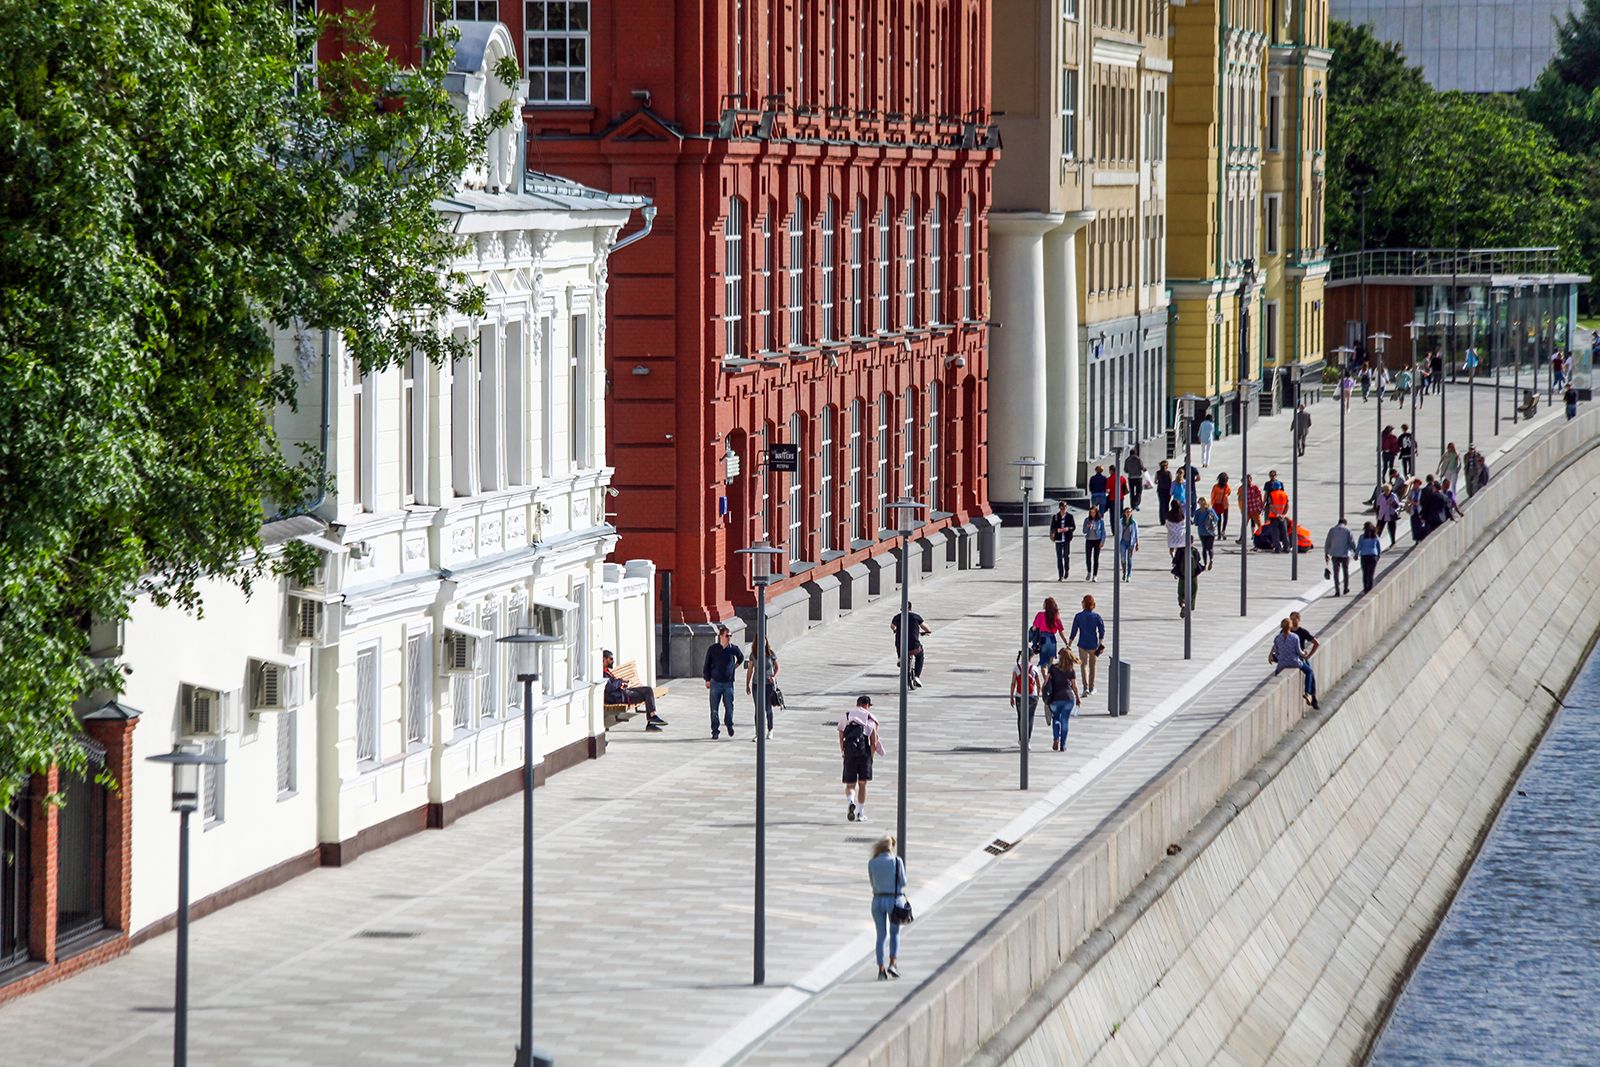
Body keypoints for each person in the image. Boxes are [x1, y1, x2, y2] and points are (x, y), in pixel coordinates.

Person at [867, 834, 908, 980]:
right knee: (894, 933)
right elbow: (903, 882)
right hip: (894, 900)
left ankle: (881, 970)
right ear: (892, 846)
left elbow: (872, 882)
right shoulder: (897, 862)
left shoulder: (872, 862)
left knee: (881, 936)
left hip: (877, 900)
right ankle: (893, 964)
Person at [840, 695, 884, 822]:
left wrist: (843, 751)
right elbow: (874, 742)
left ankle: (850, 801)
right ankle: (860, 812)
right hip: (864, 755)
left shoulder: (847, 716)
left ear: (857, 704)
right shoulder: (870, 720)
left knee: (850, 784)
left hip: (849, 754)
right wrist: (871, 757)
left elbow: (841, 735)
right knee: (863, 784)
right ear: (867, 705)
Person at [603, 650, 668, 731]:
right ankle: (652, 721)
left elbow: (613, 685)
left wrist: (622, 682)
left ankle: (653, 717)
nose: (613, 661)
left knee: (648, 690)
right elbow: (609, 688)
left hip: (623, 692)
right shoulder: (601, 673)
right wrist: (620, 682)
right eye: (611, 659)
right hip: (619, 697)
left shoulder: (606, 671)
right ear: (604, 659)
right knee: (647, 695)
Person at [701, 625, 744, 739]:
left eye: (730, 635)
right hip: (715, 682)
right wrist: (707, 679)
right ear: (721, 636)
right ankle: (715, 731)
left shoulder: (733, 649)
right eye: (727, 635)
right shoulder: (713, 649)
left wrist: (734, 667)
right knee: (714, 708)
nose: (729, 637)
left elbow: (741, 658)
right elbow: (706, 665)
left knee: (729, 706)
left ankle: (729, 724)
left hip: (728, 683)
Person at [1269, 618, 1318, 709]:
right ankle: (1307, 693)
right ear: (1290, 626)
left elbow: (1275, 650)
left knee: (1276, 674)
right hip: (1295, 662)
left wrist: (1271, 656)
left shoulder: (1277, 638)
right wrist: (1305, 654)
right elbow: (1299, 652)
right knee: (1309, 671)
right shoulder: (1295, 637)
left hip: (1282, 663)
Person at [1068, 595, 1105, 697]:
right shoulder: (1096, 616)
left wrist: (1069, 643)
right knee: (1093, 666)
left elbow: (1074, 631)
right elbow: (1102, 631)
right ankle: (1092, 687)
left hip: (1082, 644)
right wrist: (1100, 643)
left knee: (1083, 665)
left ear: (1084, 604)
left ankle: (1085, 687)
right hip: (1093, 644)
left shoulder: (1078, 616)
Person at [1045, 647, 1082, 747]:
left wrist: (1044, 693)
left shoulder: (1052, 668)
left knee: (1056, 718)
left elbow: (1046, 682)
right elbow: (1074, 686)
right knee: (1065, 721)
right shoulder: (1071, 670)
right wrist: (1078, 698)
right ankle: (1063, 745)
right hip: (1068, 698)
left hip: (1055, 698)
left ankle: (1056, 738)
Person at [743, 638, 779, 739]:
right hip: (756, 684)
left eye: (764, 640)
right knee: (758, 709)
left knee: (767, 708)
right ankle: (758, 733)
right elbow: (750, 670)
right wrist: (747, 684)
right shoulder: (753, 654)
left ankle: (770, 729)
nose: (762, 643)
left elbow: (777, 667)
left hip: (768, 684)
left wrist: (774, 677)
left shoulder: (770, 653)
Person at [889, 602, 930, 688]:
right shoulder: (916, 617)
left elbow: (892, 626)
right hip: (914, 646)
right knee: (920, 656)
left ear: (901, 609)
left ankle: (900, 658)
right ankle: (917, 677)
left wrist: (896, 630)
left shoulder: (897, 617)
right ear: (911, 608)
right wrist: (927, 631)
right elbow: (926, 628)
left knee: (898, 644)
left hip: (901, 646)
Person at [1009, 650, 1042, 745]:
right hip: (1032, 696)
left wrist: (1011, 697)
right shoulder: (1034, 668)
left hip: (1019, 696)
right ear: (1031, 657)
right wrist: (1038, 695)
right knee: (1030, 718)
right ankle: (1028, 740)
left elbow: (1013, 684)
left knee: (1020, 718)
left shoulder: (1016, 668)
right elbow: (1039, 684)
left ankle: (1021, 739)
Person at [1030, 596, 1066, 669]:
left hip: (1043, 639)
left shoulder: (1040, 615)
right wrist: (1066, 643)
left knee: (1043, 664)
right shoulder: (1056, 617)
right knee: (1050, 663)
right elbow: (1061, 631)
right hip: (1052, 639)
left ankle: (1046, 679)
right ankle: (1049, 679)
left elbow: (1034, 628)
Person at [1172, 535, 1203, 617]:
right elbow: (1198, 561)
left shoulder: (1180, 550)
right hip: (1193, 576)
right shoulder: (1194, 551)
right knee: (1193, 591)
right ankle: (1189, 607)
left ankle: (1183, 605)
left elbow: (1175, 562)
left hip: (1182, 576)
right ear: (1193, 542)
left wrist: (1176, 573)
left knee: (1181, 592)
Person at [1324, 517, 1356, 597]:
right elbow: (1352, 542)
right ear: (1345, 523)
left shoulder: (1332, 530)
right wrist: (1355, 552)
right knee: (1346, 571)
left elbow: (1328, 542)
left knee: (1336, 573)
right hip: (1345, 554)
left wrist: (1326, 553)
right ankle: (1345, 588)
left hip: (1334, 554)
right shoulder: (1347, 530)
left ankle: (1337, 590)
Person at [1049, 500, 1076, 581]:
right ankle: (1060, 575)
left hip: (1066, 539)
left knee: (1066, 556)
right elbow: (1052, 527)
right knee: (1059, 557)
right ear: (1059, 508)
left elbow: (1073, 527)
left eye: (1065, 507)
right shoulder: (1056, 517)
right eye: (1062, 508)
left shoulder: (1070, 516)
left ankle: (1066, 569)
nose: (1063, 509)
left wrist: (1068, 528)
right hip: (1058, 539)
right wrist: (1057, 530)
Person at [1357, 521, 1383, 592]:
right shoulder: (1375, 537)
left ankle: (1365, 588)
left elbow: (1359, 547)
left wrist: (1356, 554)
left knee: (1365, 573)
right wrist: (1378, 555)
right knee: (1371, 573)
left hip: (1364, 556)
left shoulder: (1362, 537)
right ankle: (1370, 587)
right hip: (1373, 556)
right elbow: (1378, 547)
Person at [1082, 505, 1106, 582]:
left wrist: (1102, 542)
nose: (1092, 514)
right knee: (1088, 558)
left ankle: (1095, 575)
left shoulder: (1100, 520)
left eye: (1093, 512)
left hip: (1097, 540)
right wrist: (1088, 527)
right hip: (1089, 539)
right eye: (1091, 512)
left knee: (1096, 558)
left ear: (1096, 512)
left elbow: (1103, 532)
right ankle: (1089, 572)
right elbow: (1084, 531)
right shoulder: (1087, 520)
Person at [1194, 497, 1219, 569]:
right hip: (1211, 531)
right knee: (1210, 548)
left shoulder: (1198, 512)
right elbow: (1216, 519)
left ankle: (1205, 564)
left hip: (1202, 532)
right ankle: (1211, 559)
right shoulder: (1210, 510)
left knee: (1204, 548)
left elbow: (1195, 522)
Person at [1238, 475, 1262, 543]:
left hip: (1254, 509)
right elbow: (1240, 499)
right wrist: (1241, 509)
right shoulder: (1241, 488)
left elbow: (1259, 496)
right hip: (1246, 510)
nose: (1248, 482)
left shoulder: (1255, 487)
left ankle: (1263, 537)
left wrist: (1260, 506)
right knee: (1244, 525)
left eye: (1249, 480)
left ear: (1251, 480)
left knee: (1259, 525)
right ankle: (1241, 538)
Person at [1119, 506, 1139, 581]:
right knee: (1123, 558)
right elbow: (1118, 532)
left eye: (1130, 512)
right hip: (1123, 541)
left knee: (1129, 558)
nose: (1128, 513)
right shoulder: (1121, 521)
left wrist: (1137, 543)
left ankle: (1129, 574)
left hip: (1131, 542)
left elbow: (1136, 533)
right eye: (1127, 512)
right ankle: (1124, 571)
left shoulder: (1133, 522)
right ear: (1124, 513)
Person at [1210, 473, 1232, 538]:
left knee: (1218, 519)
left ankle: (1219, 532)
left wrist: (1212, 503)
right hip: (1225, 503)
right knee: (1225, 518)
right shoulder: (1227, 486)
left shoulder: (1215, 487)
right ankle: (1223, 530)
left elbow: (1212, 495)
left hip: (1217, 503)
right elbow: (1229, 492)